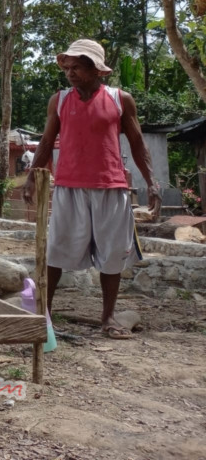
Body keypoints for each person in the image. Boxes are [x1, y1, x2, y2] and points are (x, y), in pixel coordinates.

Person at [23, 39, 161, 340]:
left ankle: (109, 317)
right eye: (67, 68)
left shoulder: (119, 100)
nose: (70, 73)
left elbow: (137, 143)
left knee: (112, 255)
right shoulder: (58, 101)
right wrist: (32, 177)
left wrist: (152, 181)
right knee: (56, 251)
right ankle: (43, 315)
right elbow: (46, 142)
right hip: (69, 187)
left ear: (97, 70)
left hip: (110, 188)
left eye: (78, 67)